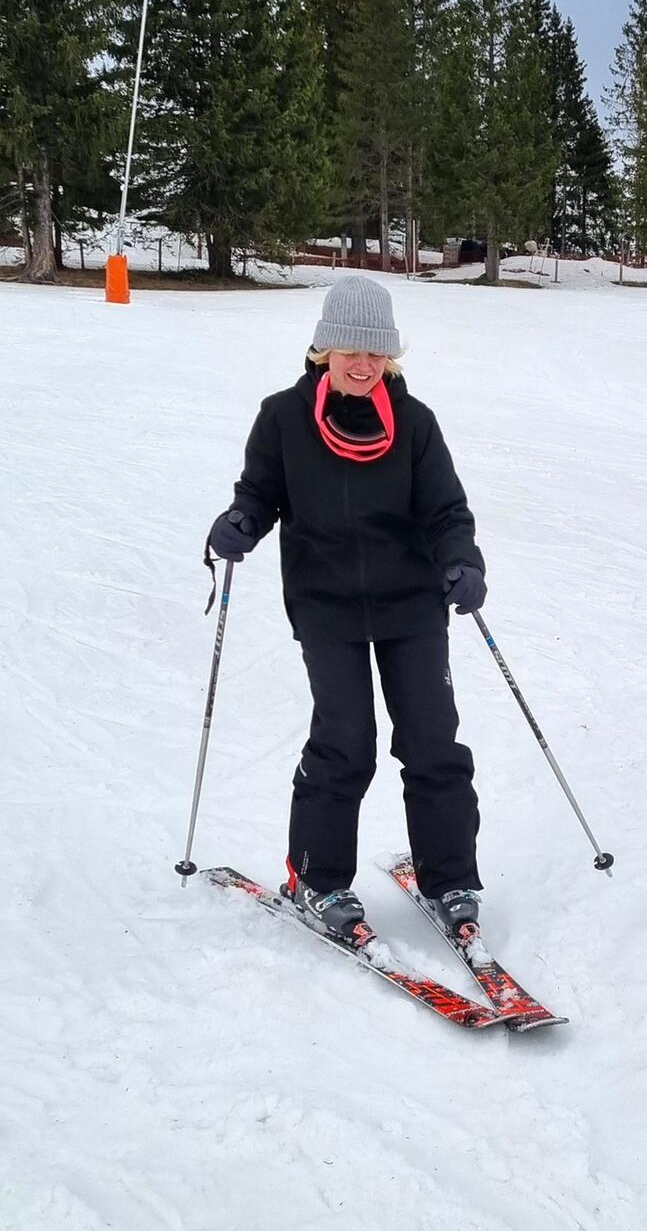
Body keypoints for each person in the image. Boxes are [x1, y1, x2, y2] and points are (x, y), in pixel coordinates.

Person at [207, 275, 487, 944]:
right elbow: (261, 491)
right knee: (346, 744)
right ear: (323, 350)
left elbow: (445, 510)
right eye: (347, 349)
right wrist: (242, 520)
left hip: (411, 603)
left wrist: (462, 560)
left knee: (431, 741)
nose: (361, 364)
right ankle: (318, 878)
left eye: (374, 353)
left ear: (389, 357)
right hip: (325, 603)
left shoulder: (414, 424)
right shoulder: (283, 417)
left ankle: (450, 877)